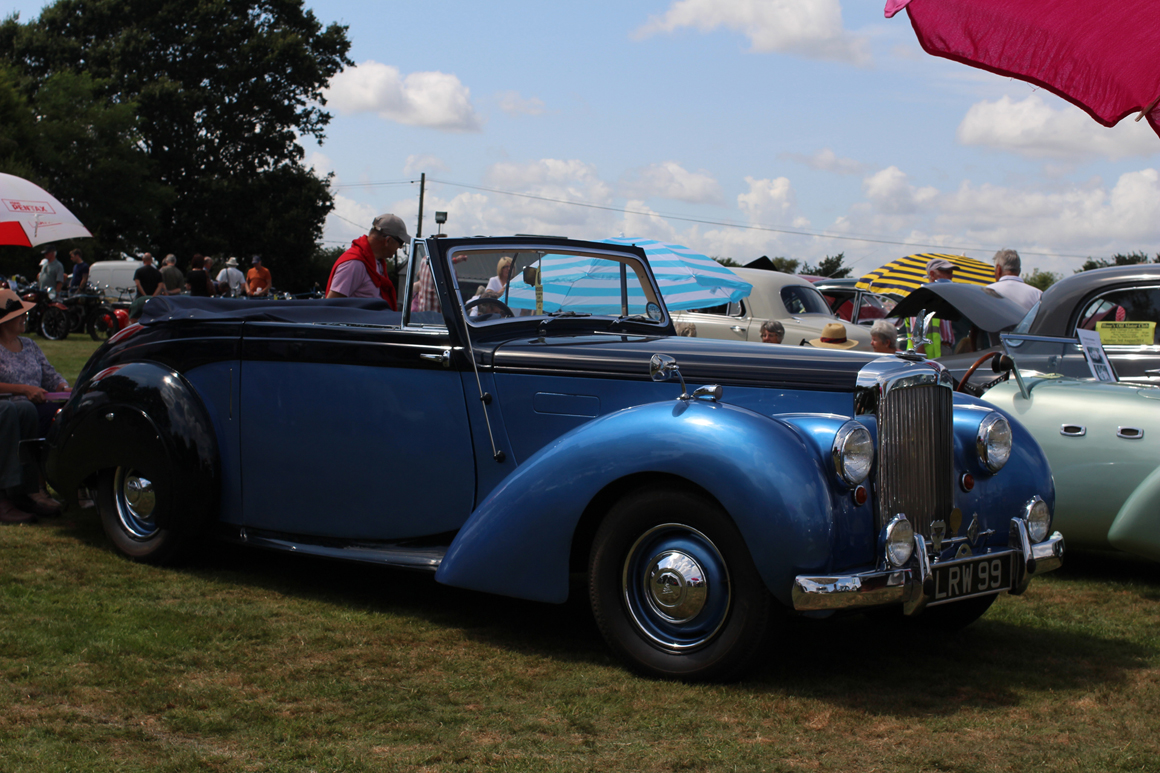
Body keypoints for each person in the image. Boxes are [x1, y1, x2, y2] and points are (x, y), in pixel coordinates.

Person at [0, 287, 69, 518]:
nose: (24, 317)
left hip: (35, 404)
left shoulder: (29, 345)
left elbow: (49, 374)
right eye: (19, 315)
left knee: (64, 412)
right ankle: (16, 492)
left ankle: (33, 490)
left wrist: (63, 387)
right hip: (14, 403)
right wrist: (24, 389)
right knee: (19, 409)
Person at [325, 213, 408, 307]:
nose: (400, 247)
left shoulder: (376, 262)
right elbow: (331, 306)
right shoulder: (354, 264)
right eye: (401, 242)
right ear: (388, 240)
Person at [130, 253, 165, 320]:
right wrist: (152, 296)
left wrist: (144, 295)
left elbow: (138, 284)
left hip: (140, 298)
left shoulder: (139, 271)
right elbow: (160, 286)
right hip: (154, 299)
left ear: (143, 260)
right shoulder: (157, 273)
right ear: (151, 260)